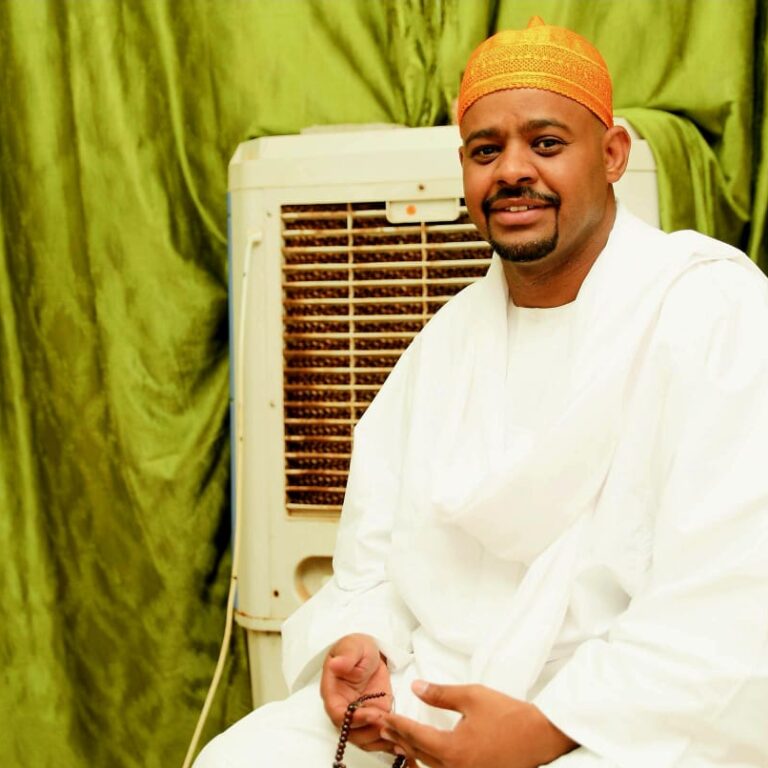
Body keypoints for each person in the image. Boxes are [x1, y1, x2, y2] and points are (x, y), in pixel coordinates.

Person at [195, 17, 768, 768]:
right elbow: (374, 565)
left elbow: (732, 597)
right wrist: (364, 648)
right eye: (485, 150)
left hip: (623, 714)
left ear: (613, 154)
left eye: (547, 144)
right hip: (433, 691)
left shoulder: (711, 311)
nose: (512, 171)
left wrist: (543, 727)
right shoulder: (445, 345)